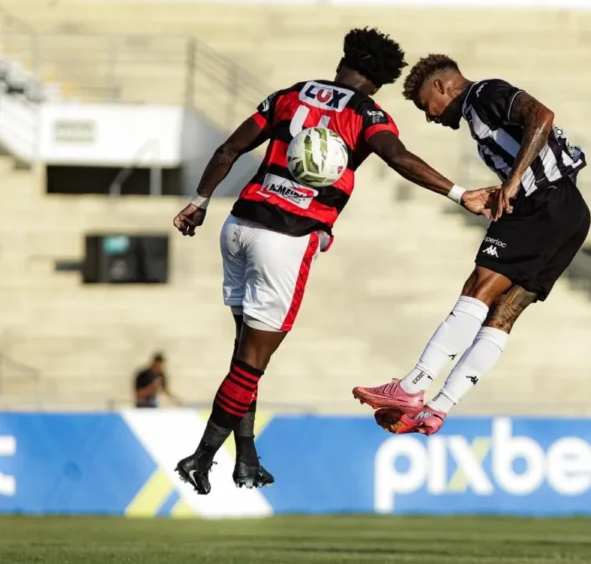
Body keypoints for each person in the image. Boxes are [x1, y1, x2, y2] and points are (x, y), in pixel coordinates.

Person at [171, 30, 495, 496]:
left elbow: (228, 151)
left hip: (238, 225)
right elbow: (398, 157)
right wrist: (459, 193)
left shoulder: (290, 94)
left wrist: (199, 201)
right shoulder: (366, 113)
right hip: (285, 238)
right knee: (251, 364)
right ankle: (201, 458)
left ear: (343, 60)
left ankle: (246, 458)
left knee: (245, 354)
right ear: (380, 81)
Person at [353, 54, 590, 435]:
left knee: (478, 289)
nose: (430, 117)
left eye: (425, 107)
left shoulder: (483, 94)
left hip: (544, 204)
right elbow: (544, 158)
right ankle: (438, 408)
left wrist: (513, 183)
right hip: (571, 213)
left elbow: (542, 116)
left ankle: (412, 386)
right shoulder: (478, 118)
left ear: (441, 87)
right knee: (504, 313)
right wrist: (505, 188)